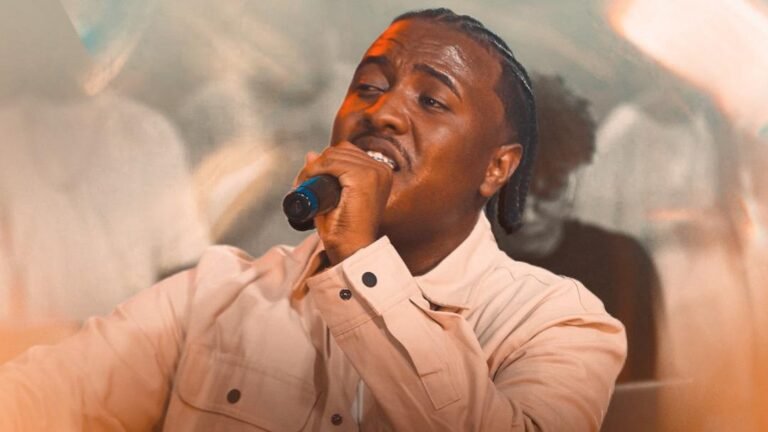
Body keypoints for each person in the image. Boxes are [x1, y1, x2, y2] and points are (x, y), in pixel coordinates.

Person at [0, 8, 626, 431]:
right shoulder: (214, 295)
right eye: (370, 87)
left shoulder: (558, 323)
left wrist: (362, 263)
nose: (383, 113)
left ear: (497, 167)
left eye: (432, 100)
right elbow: (40, 398)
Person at [490, 73, 659, 383]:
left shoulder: (623, 262)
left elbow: (640, 388)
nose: (527, 213)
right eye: (511, 193)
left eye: (549, 190)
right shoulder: (450, 265)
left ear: (574, 179)